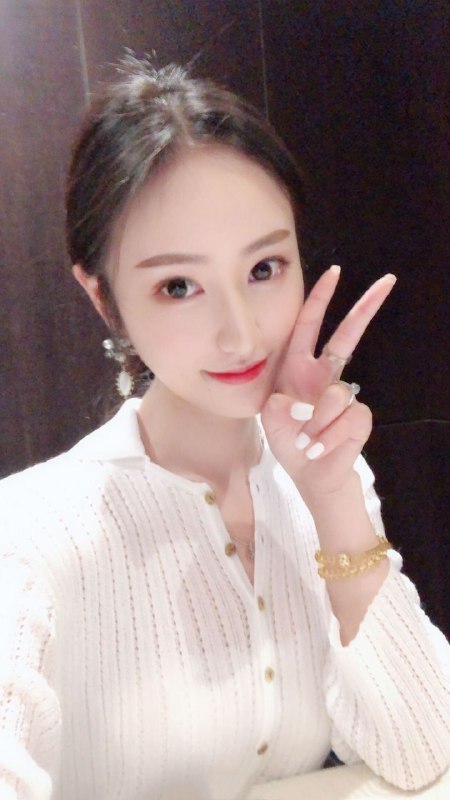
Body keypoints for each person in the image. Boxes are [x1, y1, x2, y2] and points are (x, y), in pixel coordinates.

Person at [0, 55, 448, 800]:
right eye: (178, 285)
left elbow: (423, 753)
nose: (242, 336)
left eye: (265, 268)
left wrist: (333, 498)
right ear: (103, 297)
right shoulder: (27, 531)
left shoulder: (322, 479)